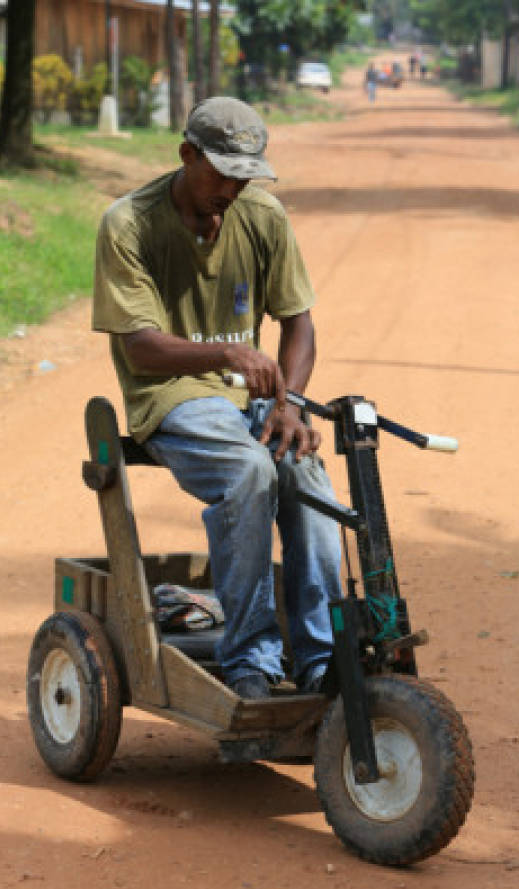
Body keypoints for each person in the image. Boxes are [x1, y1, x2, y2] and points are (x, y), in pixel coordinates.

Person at [92, 97, 342, 700]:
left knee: (305, 473)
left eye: (245, 174)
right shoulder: (129, 224)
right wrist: (227, 355)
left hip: (252, 398)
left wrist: (293, 404)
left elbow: (299, 323)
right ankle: (250, 658)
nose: (232, 188)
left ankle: (323, 660)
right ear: (187, 155)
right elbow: (141, 350)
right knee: (250, 470)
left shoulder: (262, 215)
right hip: (171, 394)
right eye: (221, 172)